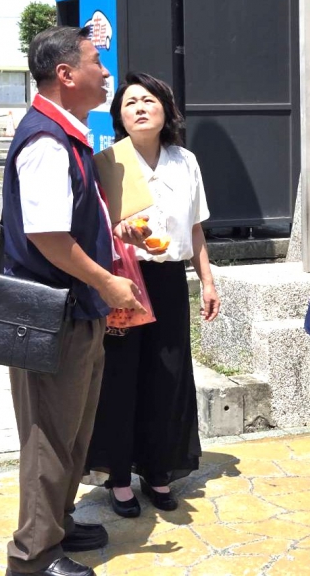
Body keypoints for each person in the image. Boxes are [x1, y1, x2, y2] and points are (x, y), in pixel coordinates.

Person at [2, 26, 147, 576]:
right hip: (48, 313)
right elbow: (46, 236)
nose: (106, 72)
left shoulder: (71, 134)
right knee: (47, 436)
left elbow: (74, 222)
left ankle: (56, 525)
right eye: (95, 62)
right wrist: (108, 281)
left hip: (74, 308)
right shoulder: (46, 140)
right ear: (65, 74)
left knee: (73, 429)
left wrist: (114, 236)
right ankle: (33, 556)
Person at [86, 71, 220, 518]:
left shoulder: (186, 161)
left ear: (166, 110)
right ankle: (119, 477)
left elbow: (195, 228)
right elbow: (95, 230)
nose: (140, 108)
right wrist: (119, 232)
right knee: (120, 376)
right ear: (119, 116)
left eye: (149, 100)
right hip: (125, 280)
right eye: (130, 103)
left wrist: (207, 281)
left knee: (168, 375)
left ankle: (158, 469)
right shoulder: (110, 162)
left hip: (169, 281)